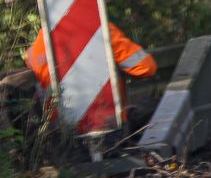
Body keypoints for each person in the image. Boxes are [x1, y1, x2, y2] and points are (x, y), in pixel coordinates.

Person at [25, 22, 157, 121]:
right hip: (108, 123)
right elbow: (146, 67)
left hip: (59, 133)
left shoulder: (38, 45)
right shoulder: (100, 29)